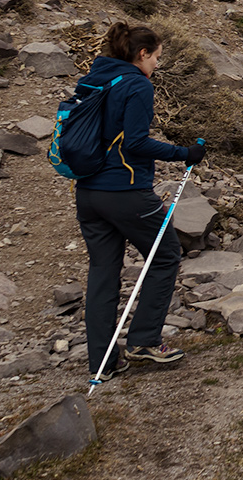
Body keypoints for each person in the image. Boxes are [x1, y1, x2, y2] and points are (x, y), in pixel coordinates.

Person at [74, 22, 203, 380]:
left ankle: (103, 361)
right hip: (125, 190)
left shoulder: (94, 79)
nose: (157, 65)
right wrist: (184, 153)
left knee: (102, 273)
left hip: (87, 192)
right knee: (165, 256)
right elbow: (135, 143)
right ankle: (144, 341)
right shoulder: (136, 84)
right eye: (156, 58)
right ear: (142, 54)